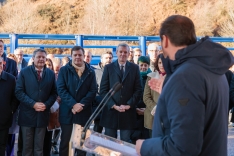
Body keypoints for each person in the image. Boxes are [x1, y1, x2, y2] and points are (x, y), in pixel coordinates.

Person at [135, 15, 234, 156]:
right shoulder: (213, 70)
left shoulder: (185, 77)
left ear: (166, 40)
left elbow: (183, 147)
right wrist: (169, 94)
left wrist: (145, 147)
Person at [15, 49, 57, 156]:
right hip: (27, 116)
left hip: (42, 116)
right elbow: (19, 92)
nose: (41, 59)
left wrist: (46, 104)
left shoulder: (51, 74)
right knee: (27, 149)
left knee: (39, 149)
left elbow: (54, 93)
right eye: (39, 57)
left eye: (43, 57)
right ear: (33, 58)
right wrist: (33, 104)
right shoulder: (24, 72)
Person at [57, 46, 97, 156]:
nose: (77, 57)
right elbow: (61, 89)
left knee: (81, 145)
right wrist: (73, 104)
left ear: (84, 56)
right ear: (71, 56)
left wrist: (81, 105)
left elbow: (93, 91)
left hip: (84, 114)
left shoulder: (90, 71)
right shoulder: (64, 70)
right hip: (68, 113)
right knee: (66, 144)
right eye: (75, 55)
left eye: (80, 55)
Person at [100, 43, 142, 143]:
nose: (123, 54)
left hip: (127, 113)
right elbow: (103, 90)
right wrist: (113, 105)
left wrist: (129, 105)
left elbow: (138, 90)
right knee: (109, 143)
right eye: (121, 52)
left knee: (126, 143)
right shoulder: (108, 68)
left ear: (129, 54)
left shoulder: (135, 68)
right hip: (111, 112)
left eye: (125, 52)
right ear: (117, 53)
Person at [143, 54, 166, 138]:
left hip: (167, 117)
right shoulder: (151, 76)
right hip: (152, 116)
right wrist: (155, 108)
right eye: (160, 63)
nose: (162, 65)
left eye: (164, 62)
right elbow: (146, 96)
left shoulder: (173, 77)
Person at [130, 56, 151, 144]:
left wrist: (147, 110)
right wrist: (134, 108)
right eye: (141, 65)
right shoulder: (133, 77)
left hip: (148, 112)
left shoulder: (152, 77)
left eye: (145, 65)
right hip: (135, 112)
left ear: (148, 66)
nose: (143, 67)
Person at [0, 57, 19, 156]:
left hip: (4, 119)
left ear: (3, 64)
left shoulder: (11, 79)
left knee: (2, 145)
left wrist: (11, 110)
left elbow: (15, 97)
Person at [93, 51, 113, 133]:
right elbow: (93, 90)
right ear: (101, 59)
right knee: (97, 131)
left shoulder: (114, 71)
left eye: (110, 58)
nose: (108, 60)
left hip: (111, 106)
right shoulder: (95, 72)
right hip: (99, 105)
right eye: (106, 58)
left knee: (110, 133)